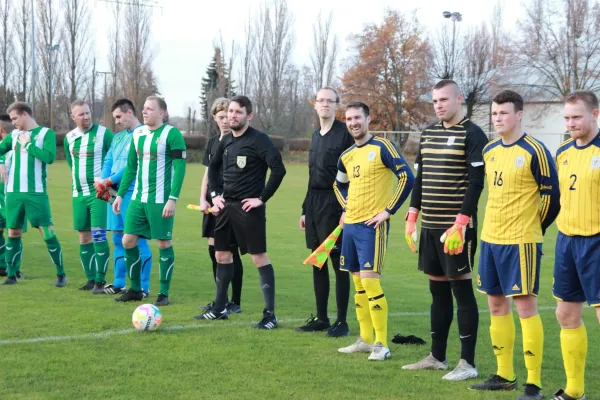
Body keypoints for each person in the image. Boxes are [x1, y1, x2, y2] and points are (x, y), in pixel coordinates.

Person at [469, 90, 560, 400]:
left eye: (504, 113)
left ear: (519, 114)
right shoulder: (490, 150)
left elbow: (551, 197)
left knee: (525, 308)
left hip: (521, 242)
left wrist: (535, 226)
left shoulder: (536, 150)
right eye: (495, 113)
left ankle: (533, 384)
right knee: (496, 305)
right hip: (490, 239)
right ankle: (504, 375)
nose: (498, 119)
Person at [401, 79, 488, 380]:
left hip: (456, 230)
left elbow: (476, 182)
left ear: (458, 99)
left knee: (461, 290)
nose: (438, 105)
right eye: (435, 100)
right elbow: (420, 178)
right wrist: (412, 215)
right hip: (429, 226)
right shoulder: (429, 133)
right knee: (436, 290)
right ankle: (437, 357)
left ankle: (468, 364)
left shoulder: (473, 134)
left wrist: (462, 222)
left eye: (443, 100)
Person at [197, 95, 286, 329]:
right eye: (231, 112)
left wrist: (261, 199)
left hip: (249, 209)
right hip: (226, 207)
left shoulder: (260, 140)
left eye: (238, 112)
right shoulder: (225, 141)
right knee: (221, 255)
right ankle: (219, 308)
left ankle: (270, 315)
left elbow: (278, 170)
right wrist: (215, 196)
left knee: (258, 258)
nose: (233, 116)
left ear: (249, 115)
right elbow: (213, 169)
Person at [335, 101, 414, 361]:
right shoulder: (346, 156)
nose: (353, 122)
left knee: (370, 280)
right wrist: (346, 207)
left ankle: (382, 344)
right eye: (348, 118)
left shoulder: (383, 147)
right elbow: (338, 185)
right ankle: (365, 340)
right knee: (358, 283)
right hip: (351, 226)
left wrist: (388, 211)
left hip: (373, 226)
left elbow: (407, 177)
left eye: (357, 117)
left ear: (368, 119)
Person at [112, 96, 186, 307]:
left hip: (161, 200)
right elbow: (131, 168)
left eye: (149, 109)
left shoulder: (172, 134)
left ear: (161, 113)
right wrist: (119, 195)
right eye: (143, 108)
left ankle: (163, 293)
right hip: (137, 199)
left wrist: (173, 199)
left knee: (163, 243)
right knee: (128, 241)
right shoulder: (138, 134)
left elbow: (180, 169)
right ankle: (135, 289)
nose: (144, 112)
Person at [551, 90, 600, 400]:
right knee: (566, 315)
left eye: (577, 117)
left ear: (594, 114)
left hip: (597, 241)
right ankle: (574, 391)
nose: (571, 123)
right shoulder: (563, 151)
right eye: (567, 118)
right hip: (567, 242)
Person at [296, 87, 354, 337]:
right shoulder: (315, 135)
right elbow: (311, 175)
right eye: (321, 100)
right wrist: (305, 209)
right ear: (315, 105)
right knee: (317, 261)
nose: (325, 105)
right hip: (315, 204)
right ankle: (321, 317)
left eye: (330, 101)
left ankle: (341, 321)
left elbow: (354, 174)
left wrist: (347, 206)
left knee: (337, 262)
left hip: (336, 202)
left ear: (336, 105)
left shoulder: (345, 134)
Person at [0, 102, 66, 287]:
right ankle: (11, 275)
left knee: (47, 232)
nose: (13, 123)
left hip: (35, 193)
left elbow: (49, 157)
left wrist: (28, 146)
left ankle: (61, 274)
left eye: (14, 118)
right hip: (13, 192)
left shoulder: (46, 134)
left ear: (25, 115)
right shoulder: (13, 135)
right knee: (13, 232)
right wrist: (1, 162)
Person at [94, 99, 153, 297]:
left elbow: (131, 168)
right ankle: (119, 282)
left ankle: (143, 287)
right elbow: (108, 159)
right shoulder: (118, 138)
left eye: (119, 116)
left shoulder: (144, 134)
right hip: (114, 194)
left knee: (138, 240)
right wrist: (103, 180)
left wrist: (108, 181)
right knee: (118, 238)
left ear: (129, 112)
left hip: (133, 193)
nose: (117, 121)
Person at [197, 97, 244, 315]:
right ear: (215, 118)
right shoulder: (213, 142)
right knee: (213, 249)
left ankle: (234, 301)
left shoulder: (237, 141)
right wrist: (203, 198)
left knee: (230, 250)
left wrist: (222, 199)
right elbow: (209, 172)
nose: (225, 121)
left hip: (229, 202)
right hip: (212, 202)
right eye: (220, 117)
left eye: (228, 116)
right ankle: (220, 298)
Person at [65, 100, 113, 292]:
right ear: (73, 117)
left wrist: (108, 184)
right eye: (81, 114)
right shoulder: (69, 137)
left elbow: (114, 159)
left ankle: (100, 281)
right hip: (78, 194)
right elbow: (71, 163)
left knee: (99, 235)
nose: (85, 117)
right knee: (84, 238)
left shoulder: (104, 134)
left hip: (99, 195)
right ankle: (90, 279)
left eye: (87, 113)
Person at [0, 114, 26, 278]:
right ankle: (3, 265)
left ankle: (14, 269)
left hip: (12, 196)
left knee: (14, 232)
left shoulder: (16, 146)